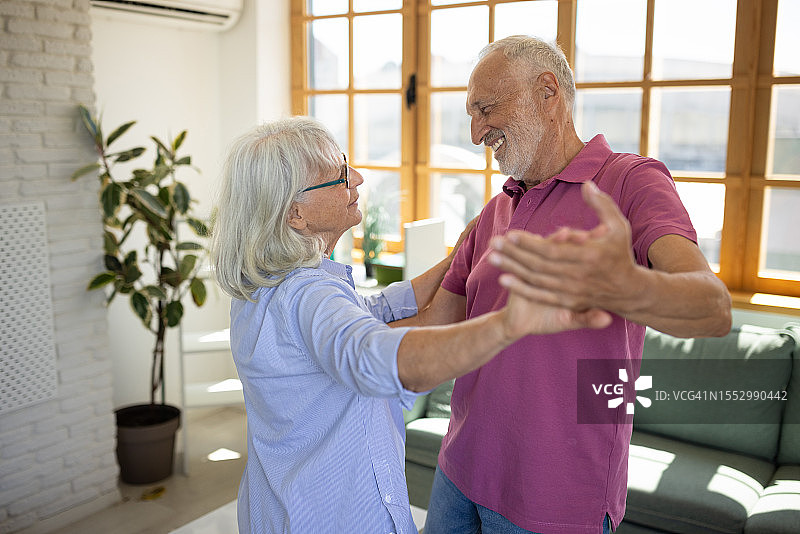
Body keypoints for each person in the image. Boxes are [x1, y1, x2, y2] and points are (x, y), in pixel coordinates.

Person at [208, 116, 612, 534]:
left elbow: (372, 310)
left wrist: (459, 254)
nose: (358, 179)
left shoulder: (264, 287)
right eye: (340, 177)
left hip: (277, 510)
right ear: (296, 214)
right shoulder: (310, 294)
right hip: (334, 518)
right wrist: (509, 323)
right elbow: (372, 355)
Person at [421, 36, 733, 534]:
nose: (476, 131)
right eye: (470, 114)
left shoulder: (631, 182)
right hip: (459, 470)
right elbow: (433, 324)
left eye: (485, 108)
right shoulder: (496, 209)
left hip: (554, 500)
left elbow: (713, 307)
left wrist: (625, 286)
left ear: (548, 93)